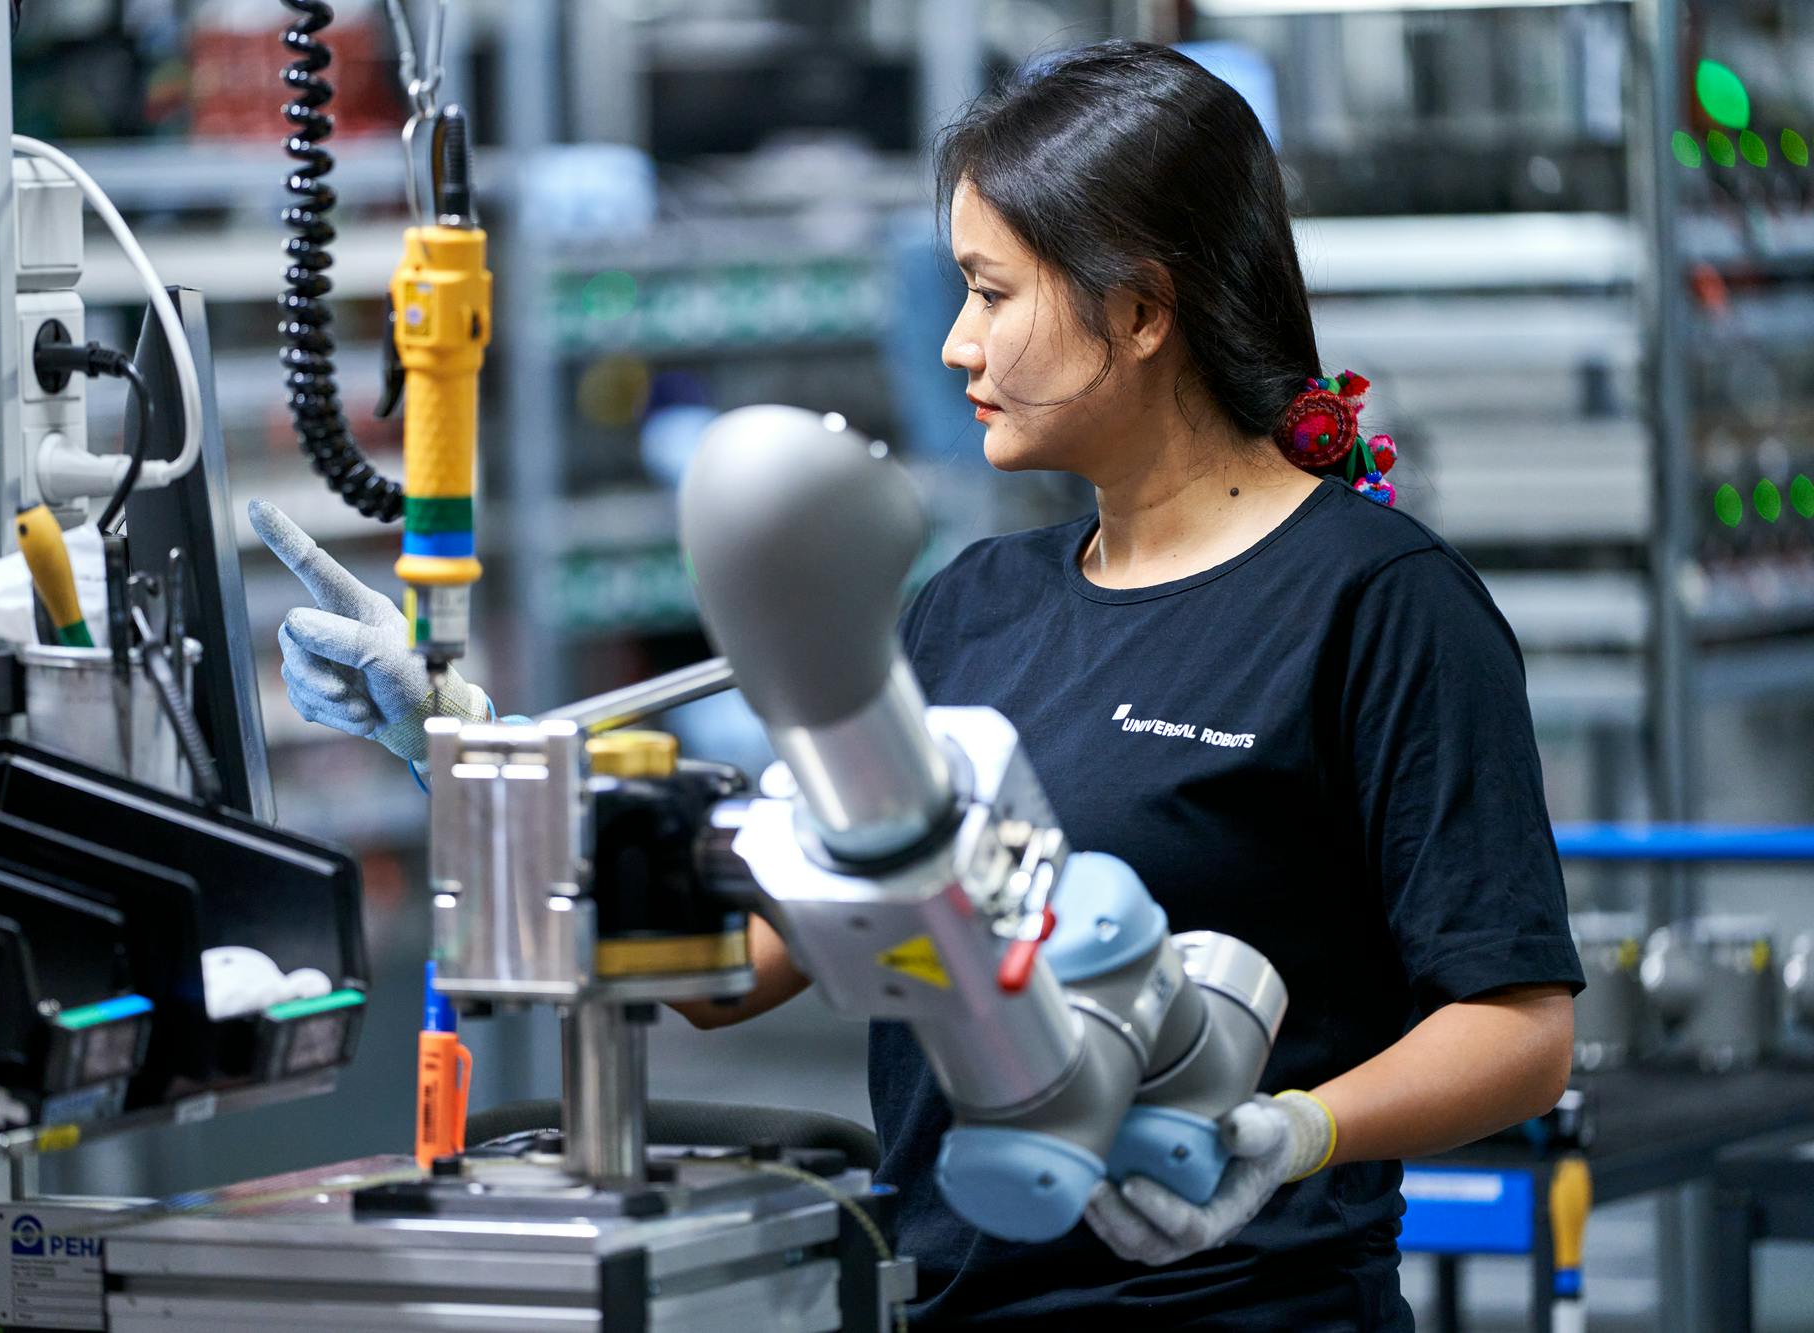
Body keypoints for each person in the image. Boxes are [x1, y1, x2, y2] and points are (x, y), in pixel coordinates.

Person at [254, 41, 1582, 1331]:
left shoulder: (1377, 602)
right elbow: (734, 963)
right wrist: (460, 745)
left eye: (993, 294)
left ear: (1138, 309)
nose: (956, 344)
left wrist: (1293, 1130)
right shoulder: (973, 607)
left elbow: (1516, 1028)